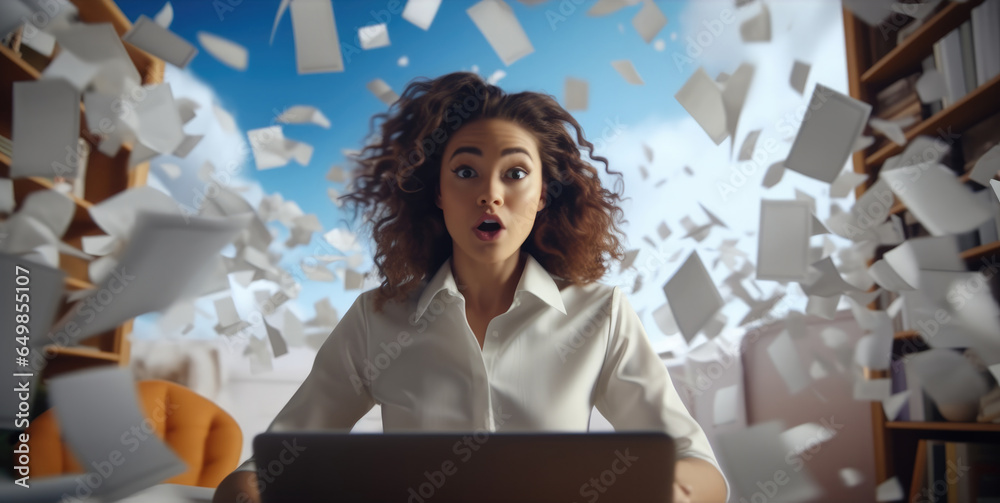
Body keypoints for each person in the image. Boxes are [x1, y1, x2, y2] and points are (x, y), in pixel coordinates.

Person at [213, 72, 728, 503]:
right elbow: (270, 465)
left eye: (515, 174)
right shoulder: (377, 320)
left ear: (544, 193)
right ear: (437, 191)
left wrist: (669, 494)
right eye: (466, 171)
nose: (489, 194)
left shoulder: (602, 314)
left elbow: (699, 467)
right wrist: (245, 492)